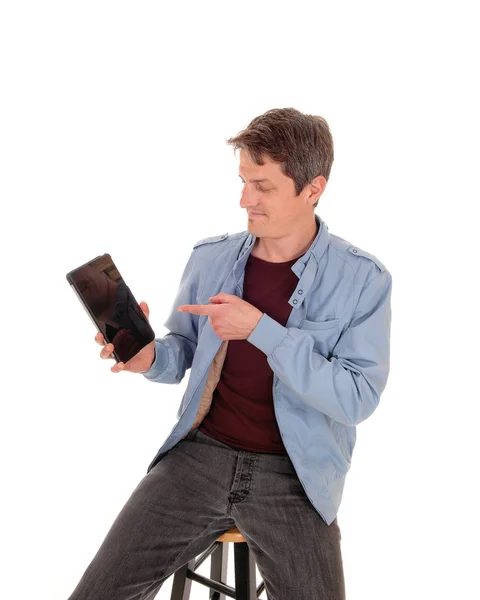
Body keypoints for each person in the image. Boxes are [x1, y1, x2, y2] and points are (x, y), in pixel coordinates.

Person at [67, 107, 392, 600]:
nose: (245, 200)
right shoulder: (211, 257)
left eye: (263, 186)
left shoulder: (364, 279)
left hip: (296, 473)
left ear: (313, 188)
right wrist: (149, 357)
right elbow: (184, 352)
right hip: (199, 457)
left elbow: (356, 398)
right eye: (242, 181)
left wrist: (262, 330)